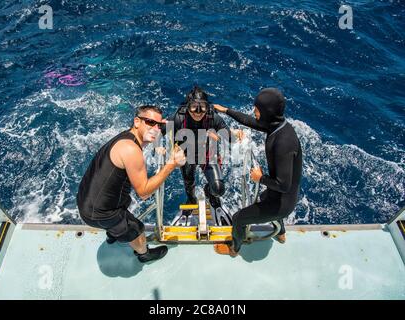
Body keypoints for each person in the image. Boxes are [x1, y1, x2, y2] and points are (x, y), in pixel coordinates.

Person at [77, 105, 186, 263]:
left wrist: (166, 125)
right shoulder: (131, 150)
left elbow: (154, 128)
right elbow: (143, 193)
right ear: (137, 121)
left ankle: (113, 234)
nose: (155, 129)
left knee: (122, 211)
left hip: (86, 199)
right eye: (149, 122)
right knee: (136, 229)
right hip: (100, 212)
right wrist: (171, 164)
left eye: (159, 125)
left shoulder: (125, 137)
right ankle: (144, 254)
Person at [213, 88, 302, 256]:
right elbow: (250, 121)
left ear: (267, 112)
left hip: (283, 201)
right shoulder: (278, 125)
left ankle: (234, 248)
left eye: (257, 109)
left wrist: (260, 178)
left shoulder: (283, 142)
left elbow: (283, 185)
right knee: (262, 198)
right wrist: (226, 110)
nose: (254, 112)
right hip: (278, 195)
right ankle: (281, 233)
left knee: (238, 218)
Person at [163, 86, 244, 226]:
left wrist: (234, 134)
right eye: (194, 107)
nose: (199, 112)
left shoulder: (213, 117)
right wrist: (159, 146)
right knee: (189, 186)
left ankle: (211, 195)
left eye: (203, 107)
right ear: (187, 107)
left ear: (208, 107)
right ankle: (191, 200)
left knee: (218, 189)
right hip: (187, 157)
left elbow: (229, 137)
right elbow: (159, 130)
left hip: (208, 156)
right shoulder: (178, 117)